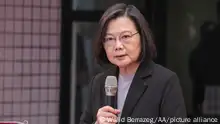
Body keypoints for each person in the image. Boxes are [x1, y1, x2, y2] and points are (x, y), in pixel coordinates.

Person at [80, 3, 187, 124]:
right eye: (110, 39)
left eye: (125, 36)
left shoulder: (165, 81)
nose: (118, 46)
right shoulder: (99, 83)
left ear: (142, 37)